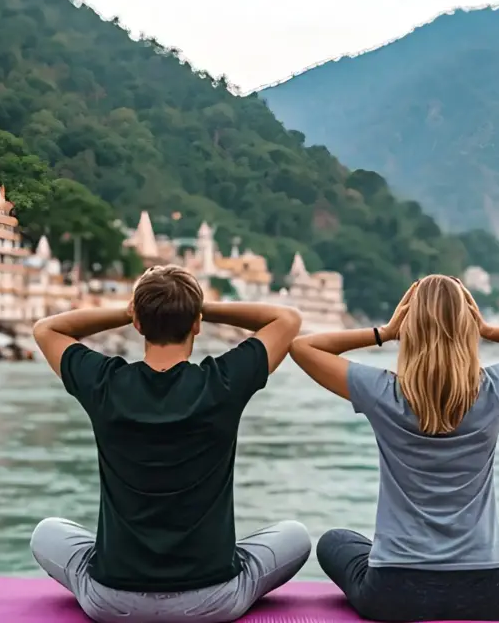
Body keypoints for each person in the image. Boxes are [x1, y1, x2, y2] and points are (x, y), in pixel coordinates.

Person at [30, 265, 309, 623]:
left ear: (138, 324)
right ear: (196, 324)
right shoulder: (221, 385)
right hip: (212, 600)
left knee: (46, 533)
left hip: (113, 602)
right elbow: (286, 319)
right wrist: (201, 308)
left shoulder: (104, 384)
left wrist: (133, 309)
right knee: (295, 536)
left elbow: (47, 329)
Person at [289, 275, 499, 622]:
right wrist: (488, 330)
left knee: (334, 540)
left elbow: (302, 348)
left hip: (393, 594)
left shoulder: (381, 391)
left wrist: (386, 332)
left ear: (410, 329)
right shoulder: (496, 388)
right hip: (489, 593)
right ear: (467, 327)